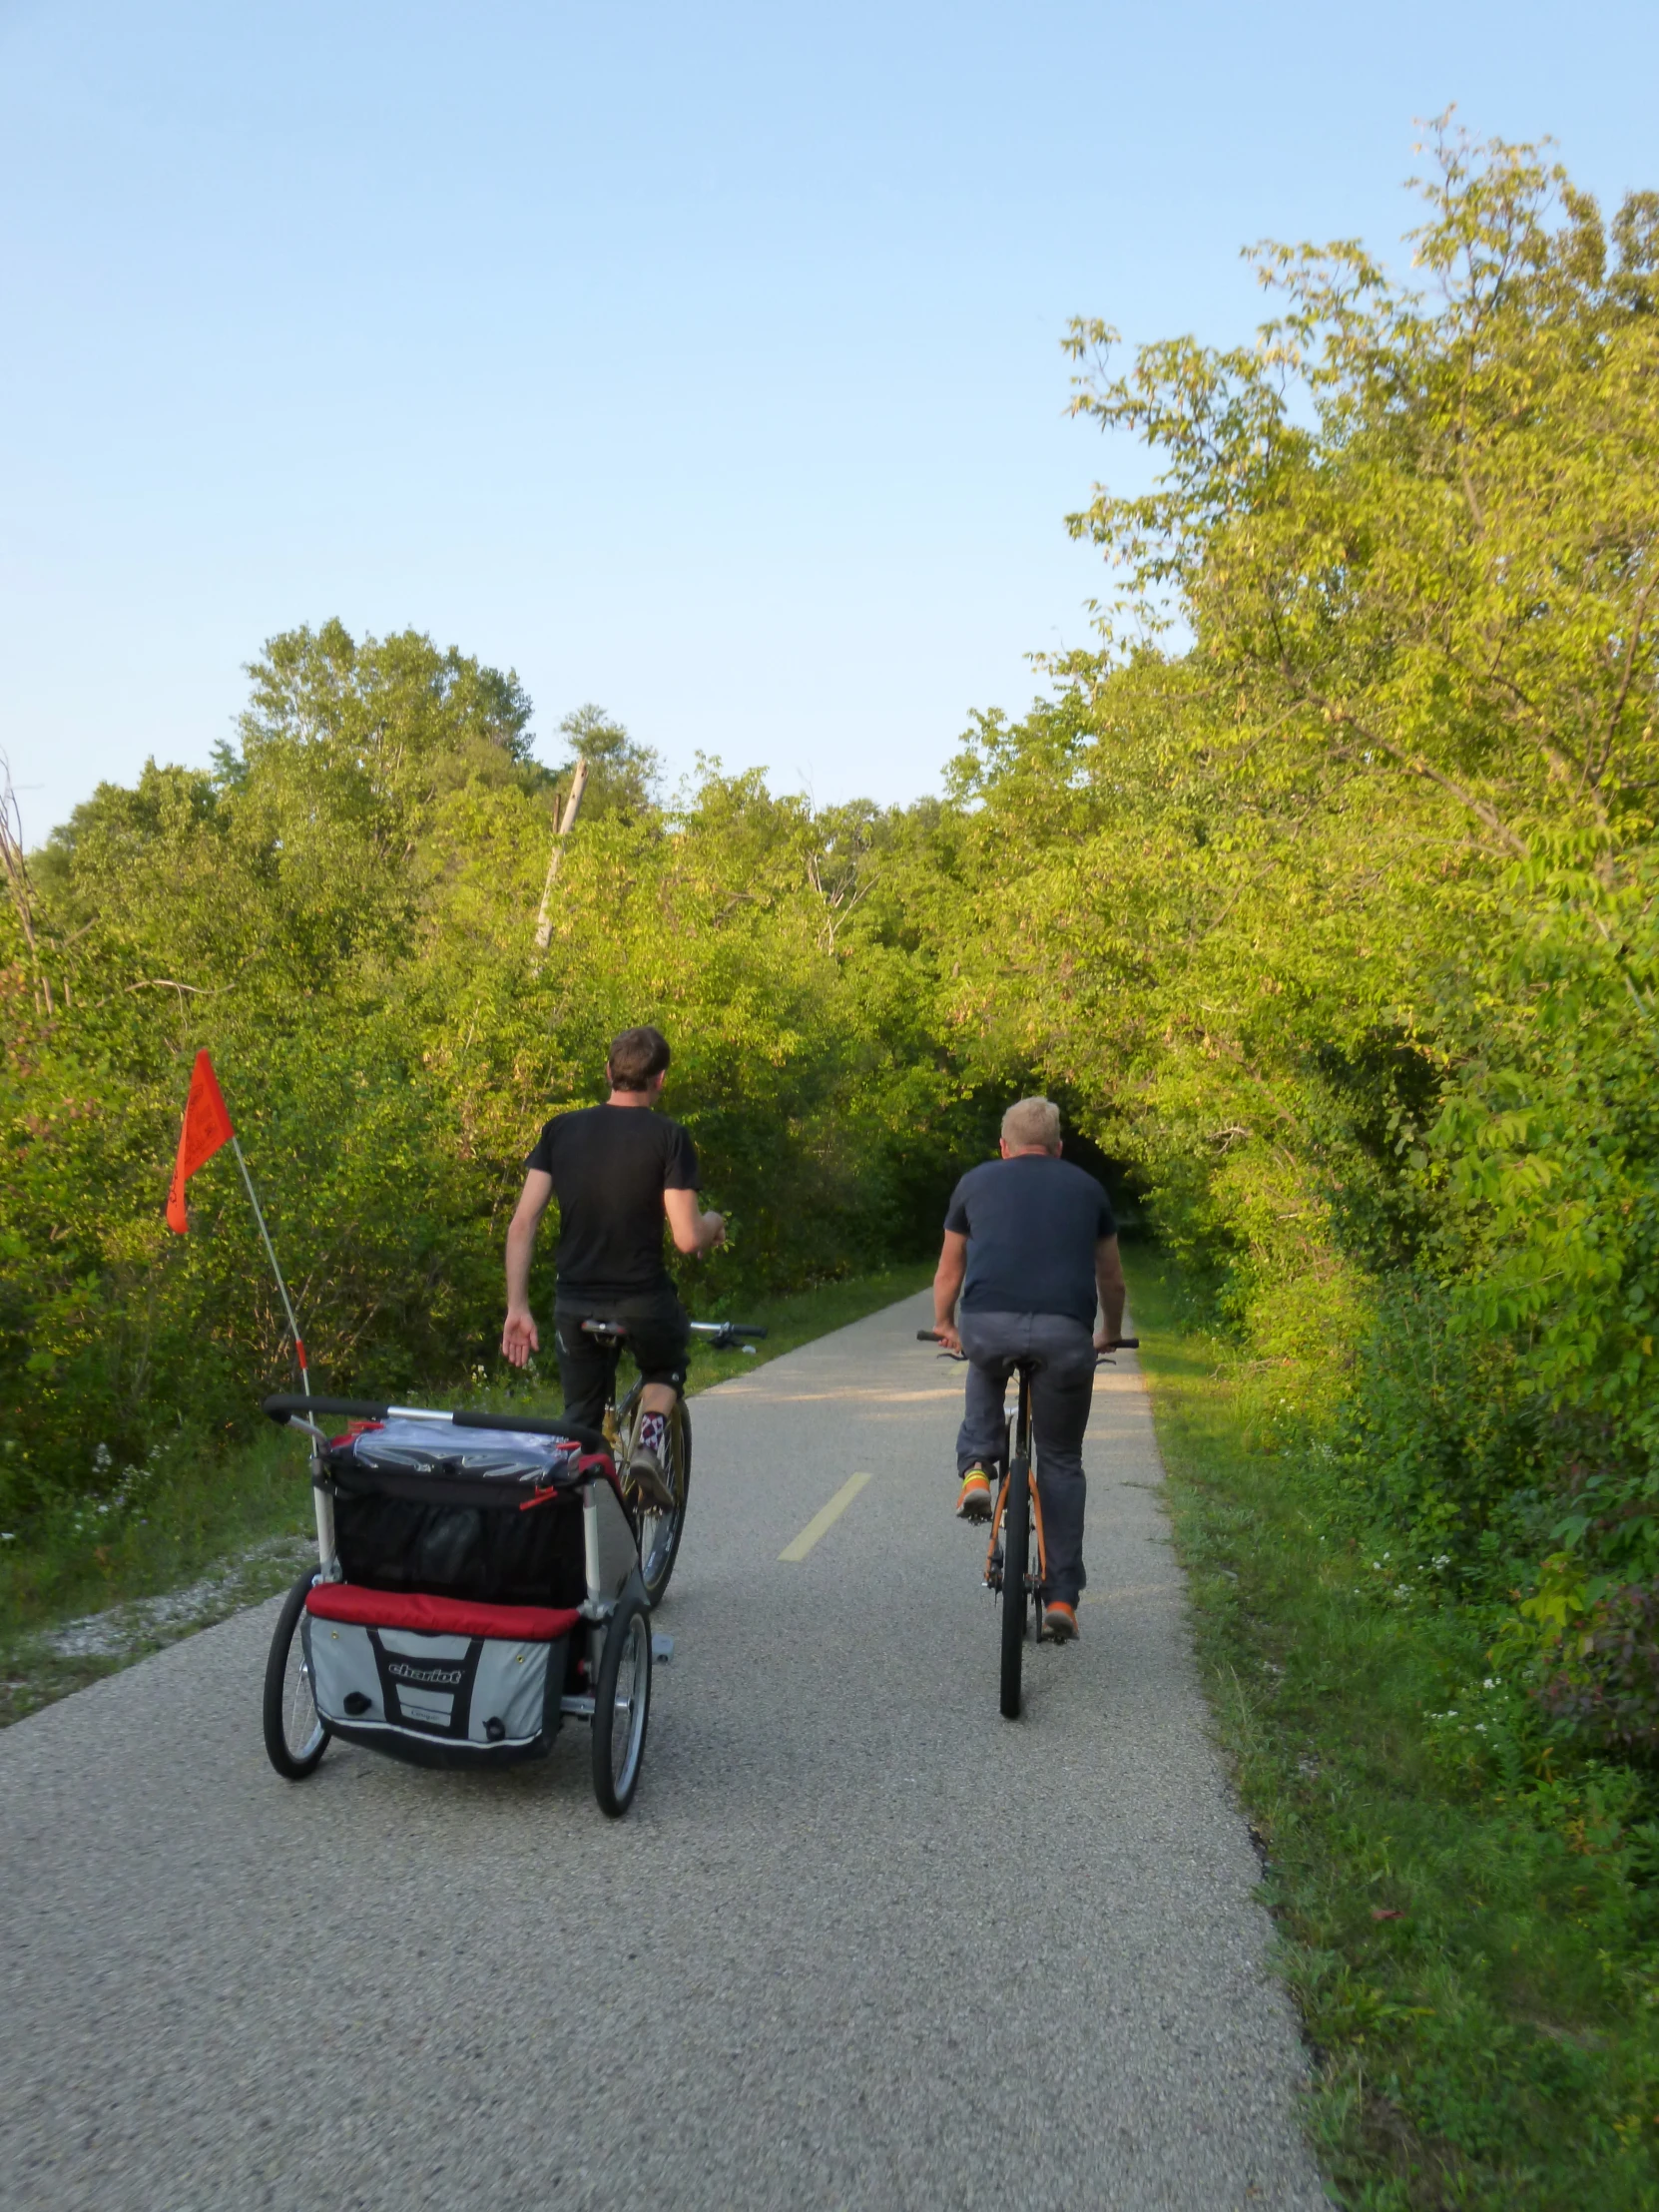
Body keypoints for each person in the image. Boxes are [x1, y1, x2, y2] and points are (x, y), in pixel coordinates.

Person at [501, 1024, 725, 1506]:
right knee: (665, 1370)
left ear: (608, 1072)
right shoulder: (669, 1136)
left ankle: (568, 1533)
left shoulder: (560, 1129)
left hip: (575, 1301)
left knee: (579, 1423)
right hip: (642, 1299)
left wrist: (517, 1306)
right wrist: (713, 1222)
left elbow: (522, 1224)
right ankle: (648, 1444)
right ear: (660, 1079)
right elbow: (688, 1238)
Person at [931, 1096, 1127, 1643]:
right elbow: (1111, 1280)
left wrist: (946, 1322)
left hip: (989, 1326)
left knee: (983, 1360)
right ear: (1058, 1148)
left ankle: (976, 1468)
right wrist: (1107, 1331)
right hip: (1066, 1338)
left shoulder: (975, 1182)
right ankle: (1062, 1596)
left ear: (1004, 1146)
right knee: (1060, 1459)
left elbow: (951, 1269)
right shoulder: (1088, 1189)